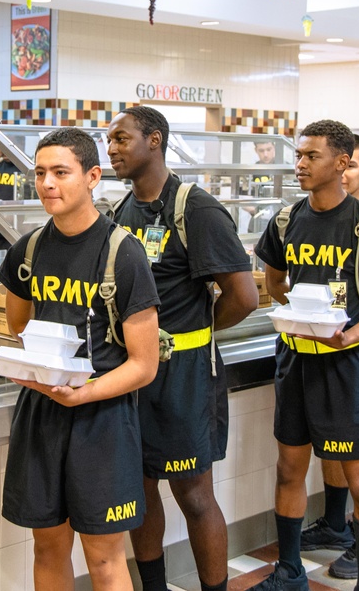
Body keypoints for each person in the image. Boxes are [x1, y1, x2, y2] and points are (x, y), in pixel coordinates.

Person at [0, 127, 161, 590]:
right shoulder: (28, 250)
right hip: (42, 414)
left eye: (61, 172)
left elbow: (144, 364)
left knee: (105, 558)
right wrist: (42, 372)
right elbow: (19, 326)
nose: (48, 183)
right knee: (47, 545)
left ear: (92, 177)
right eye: (40, 173)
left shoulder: (123, 254)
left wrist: (84, 392)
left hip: (102, 421)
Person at [107, 107, 258, 591]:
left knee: (194, 495)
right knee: (141, 489)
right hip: (134, 373)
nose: (111, 148)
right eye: (108, 140)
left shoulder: (196, 209)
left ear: (154, 140)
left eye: (121, 139)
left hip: (186, 376)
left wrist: (196, 332)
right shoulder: (120, 212)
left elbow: (244, 297)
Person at [251, 119, 359, 591]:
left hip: (347, 366)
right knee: (289, 469)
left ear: (341, 163)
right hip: (295, 359)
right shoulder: (286, 219)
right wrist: (299, 317)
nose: (300, 163)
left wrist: (350, 335)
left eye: (311, 156)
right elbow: (273, 281)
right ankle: (290, 570)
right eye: (298, 155)